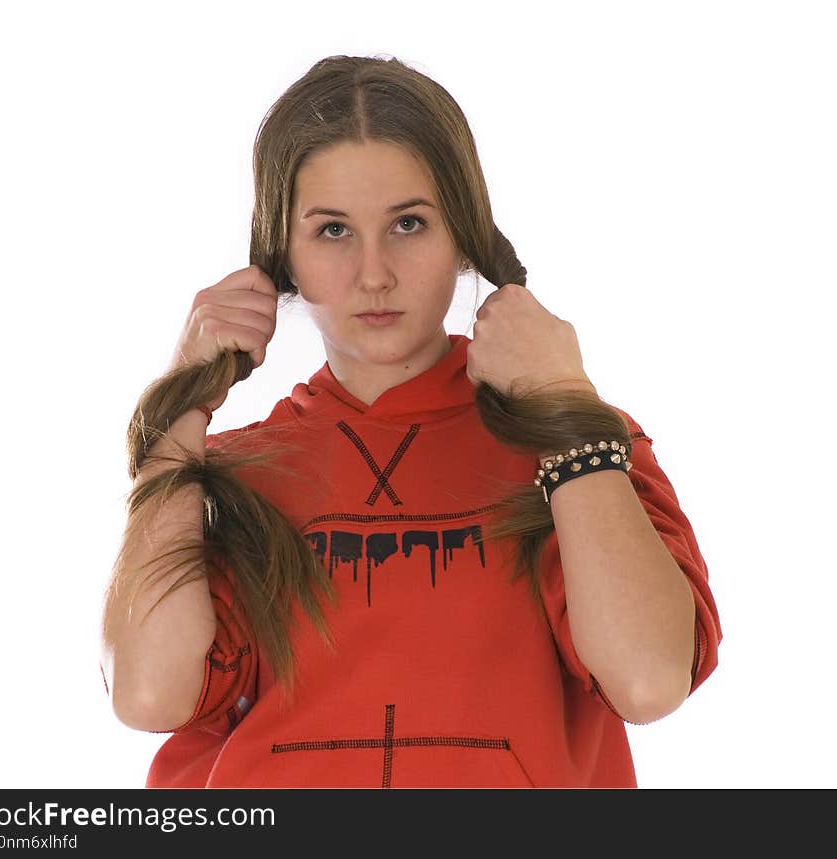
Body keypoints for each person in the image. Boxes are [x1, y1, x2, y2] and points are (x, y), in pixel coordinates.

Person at [100, 54, 722, 789]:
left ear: (463, 232)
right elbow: (148, 694)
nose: (374, 274)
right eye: (332, 230)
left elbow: (649, 679)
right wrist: (178, 417)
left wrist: (564, 406)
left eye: (408, 223)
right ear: (282, 254)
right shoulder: (230, 469)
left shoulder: (576, 446)